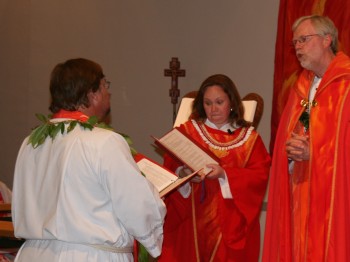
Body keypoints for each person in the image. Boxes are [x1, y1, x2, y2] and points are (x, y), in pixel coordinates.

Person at [12, 58, 166, 262]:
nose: (107, 92)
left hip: (34, 254)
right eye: (104, 86)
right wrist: (157, 198)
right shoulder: (104, 141)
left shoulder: (31, 142)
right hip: (88, 256)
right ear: (92, 94)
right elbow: (137, 206)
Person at [263, 15, 350, 261]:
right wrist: (292, 151)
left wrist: (316, 153)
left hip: (336, 200)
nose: (298, 47)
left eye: (304, 39)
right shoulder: (302, 88)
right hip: (301, 194)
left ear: (327, 40)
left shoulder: (347, 85)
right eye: (295, 43)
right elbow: (296, 133)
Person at [158, 74, 271, 262]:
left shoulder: (249, 140)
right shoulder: (187, 132)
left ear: (232, 102)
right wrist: (184, 175)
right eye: (207, 103)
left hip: (228, 226)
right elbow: (170, 169)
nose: (213, 109)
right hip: (191, 222)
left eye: (219, 102)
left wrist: (224, 174)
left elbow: (259, 177)